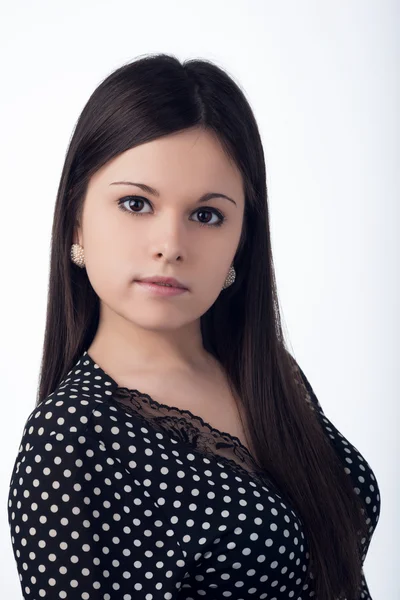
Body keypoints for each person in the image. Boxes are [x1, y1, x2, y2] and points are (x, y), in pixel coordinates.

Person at [7, 54, 380, 600]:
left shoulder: (267, 371)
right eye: (136, 204)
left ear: (242, 239)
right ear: (75, 221)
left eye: (207, 215)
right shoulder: (71, 442)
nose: (171, 246)